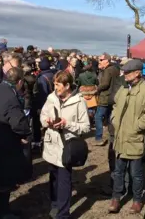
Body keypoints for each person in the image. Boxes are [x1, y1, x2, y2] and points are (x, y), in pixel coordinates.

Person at [108, 59, 145, 214]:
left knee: (135, 173)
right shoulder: (124, 88)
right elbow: (116, 105)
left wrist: (136, 126)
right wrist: (114, 120)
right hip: (120, 136)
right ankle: (116, 198)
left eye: (127, 72)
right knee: (118, 171)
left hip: (136, 138)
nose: (124, 75)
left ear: (137, 73)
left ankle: (137, 200)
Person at [0, 67, 32, 218]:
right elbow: (17, 121)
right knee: (4, 180)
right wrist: (26, 133)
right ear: (20, 82)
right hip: (5, 143)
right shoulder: (10, 96)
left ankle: (3, 210)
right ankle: (2, 213)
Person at [40, 70, 90, 218]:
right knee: (53, 177)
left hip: (67, 145)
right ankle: (55, 204)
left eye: (58, 85)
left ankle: (63, 214)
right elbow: (43, 115)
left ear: (67, 85)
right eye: (54, 84)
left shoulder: (79, 101)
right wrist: (46, 122)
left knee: (64, 180)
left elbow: (85, 127)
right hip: (51, 144)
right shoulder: (51, 98)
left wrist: (67, 124)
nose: (55, 88)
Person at [95, 53, 120, 146]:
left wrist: (97, 89)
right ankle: (113, 136)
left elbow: (105, 84)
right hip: (114, 96)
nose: (99, 61)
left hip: (105, 97)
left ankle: (98, 138)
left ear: (107, 60)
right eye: (99, 59)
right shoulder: (115, 68)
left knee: (98, 117)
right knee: (110, 117)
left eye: (101, 60)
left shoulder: (108, 70)